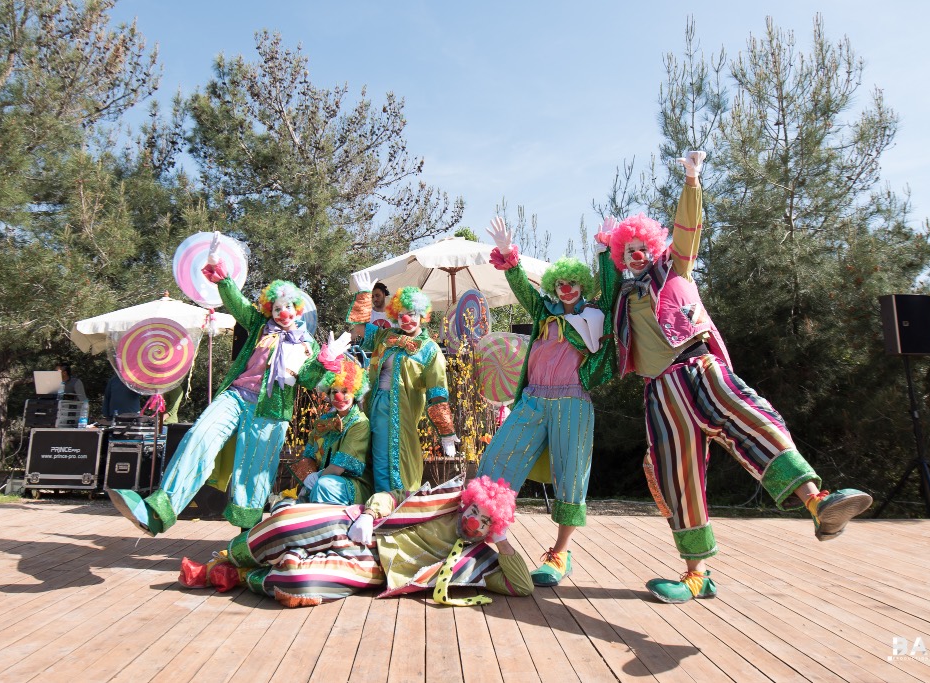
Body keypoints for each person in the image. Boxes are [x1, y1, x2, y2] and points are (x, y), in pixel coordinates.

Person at [595, 151, 873, 603]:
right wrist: (601, 251)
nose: (636, 253)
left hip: (698, 368)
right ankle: (696, 574)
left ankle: (818, 502)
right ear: (621, 256)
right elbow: (606, 286)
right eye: (627, 250)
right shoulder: (623, 296)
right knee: (677, 476)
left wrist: (692, 181)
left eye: (641, 246)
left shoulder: (674, 269)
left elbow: (688, 231)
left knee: (751, 419)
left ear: (654, 247)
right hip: (659, 391)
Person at [109, 261, 337, 535]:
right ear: (270, 310)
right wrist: (225, 281)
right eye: (276, 308)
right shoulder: (259, 326)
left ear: (297, 308)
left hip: (271, 411)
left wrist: (325, 362)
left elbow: (310, 379)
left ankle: (247, 537)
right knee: (199, 437)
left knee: (254, 472)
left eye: (287, 307)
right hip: (236, 396)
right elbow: (238, 304)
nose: (282, 313)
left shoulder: (307, 343)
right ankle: (159, 512)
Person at [474, 225, 619, 587]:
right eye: (561, 284)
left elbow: (613, 290)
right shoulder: (543, 311)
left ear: (582, 285)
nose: (566, 289)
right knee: (496, 460)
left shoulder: (595, 315)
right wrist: (509, 257)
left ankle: (560, 553)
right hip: (533, 399)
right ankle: (488, 529)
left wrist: (605, 252)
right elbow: (522, 287)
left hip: (573, 401)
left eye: (573, 283)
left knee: (571, 476)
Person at [178, 475, 533, 607]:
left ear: (493, 528)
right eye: (475, 510)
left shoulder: (477, 558)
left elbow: (522, 586)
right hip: (365, 528)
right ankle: (224, 559)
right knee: (285, 523)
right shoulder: (442, 502)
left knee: (298, 585)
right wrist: (369, 515)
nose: (474, 521)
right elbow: (391, 496)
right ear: (468, 501)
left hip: (376, 567)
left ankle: (237, 575)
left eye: (486, 521)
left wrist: (501, 542)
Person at [347, 277, 458, 492]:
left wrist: (446, 432)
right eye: (401, 315)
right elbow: (358, 328)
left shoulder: (430, 349)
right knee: (379, 455)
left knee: (401, 455)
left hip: (404, 409)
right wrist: (363, 297)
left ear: (422, 315)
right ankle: (383, 499)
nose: (406, 319)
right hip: (377, 404)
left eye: (412, 313)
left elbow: (437, 391)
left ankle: (399, 499)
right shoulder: (386, 336)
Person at [292, 342, 373, 505]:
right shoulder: (322, 422)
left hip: (352, 485)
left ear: (355, 392)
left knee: (324, 485)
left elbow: (339, 466)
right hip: (322, 482)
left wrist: (317, 478)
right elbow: (308, 456)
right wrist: (307, 477)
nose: (339, 397)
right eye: (334, 391)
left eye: (345, 391)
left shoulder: (360, 423)